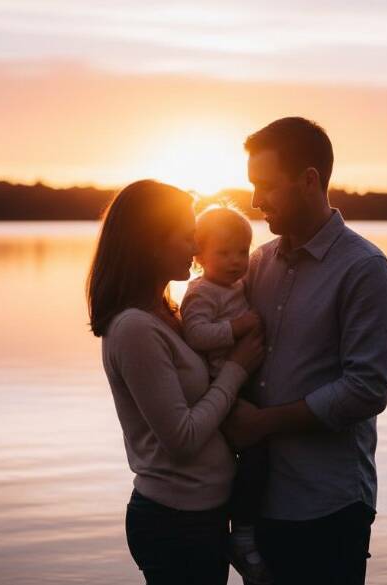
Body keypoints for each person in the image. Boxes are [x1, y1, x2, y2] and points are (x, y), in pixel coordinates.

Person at [222, 117, 387, 585]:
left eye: (265, 186)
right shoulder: (257, 264)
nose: (256, 201)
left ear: (309, 180)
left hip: (330, 505)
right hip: (261, 503)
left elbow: (367, 389)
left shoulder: (365, 270)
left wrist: (265, 422)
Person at [87, 180, 265, 585]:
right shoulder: (135, 329)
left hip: (200, 517)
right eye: (187, 236)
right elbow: (181, 438)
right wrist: (237, 369)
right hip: (176, 522)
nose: (195, 245)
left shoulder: (167, 314)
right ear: (151, 243)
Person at [179, 205, 273, 584]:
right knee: (254, 455)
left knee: (260, 456)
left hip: (243, 380)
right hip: (224, 386)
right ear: (199, 256)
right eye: (224, 253)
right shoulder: (200, 293)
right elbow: (196, 334)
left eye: (242, 251)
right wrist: (237, 327)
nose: (236, 261)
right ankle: (243, 533)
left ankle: (248, 525)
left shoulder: (237, 285)